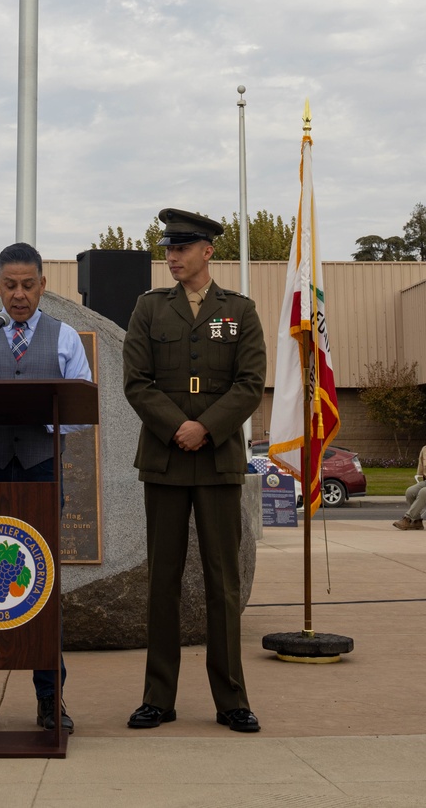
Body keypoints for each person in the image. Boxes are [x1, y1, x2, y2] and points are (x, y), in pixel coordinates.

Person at [122, 208, 266, 735]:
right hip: (164, 461)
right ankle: (158, 697)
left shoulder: (239, 311)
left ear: (208, 251)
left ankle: (231, 699)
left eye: (182, 248)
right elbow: (136, 381)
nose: (172, 257)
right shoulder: (148, 309)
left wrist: (204, 428)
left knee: (223, 583)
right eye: (168, 248)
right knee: (162, 581)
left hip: (217, 460)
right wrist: (177, 427)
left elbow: (250, 384)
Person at [0, 242, 92, 734]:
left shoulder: (65, 337)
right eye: (10, 285)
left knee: (42, 586)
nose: (19, 295)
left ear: (43, 286)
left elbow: (79, 409)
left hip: (40, 471)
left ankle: (51, 700)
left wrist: (43, 422)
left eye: (29, 285)